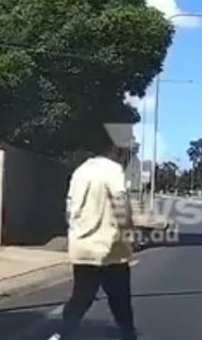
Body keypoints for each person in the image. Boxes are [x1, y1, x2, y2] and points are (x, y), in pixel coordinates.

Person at [48, 136, 138, 340]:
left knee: (81, 298)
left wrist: (77, 232)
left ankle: (64, 334)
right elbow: (121, 203)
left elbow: (69, 211)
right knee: (120, 302)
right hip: (110, 249)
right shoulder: (113, 170)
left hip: (82, 247)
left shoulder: (80, 171)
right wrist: (129, 233)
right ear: (114, 148)